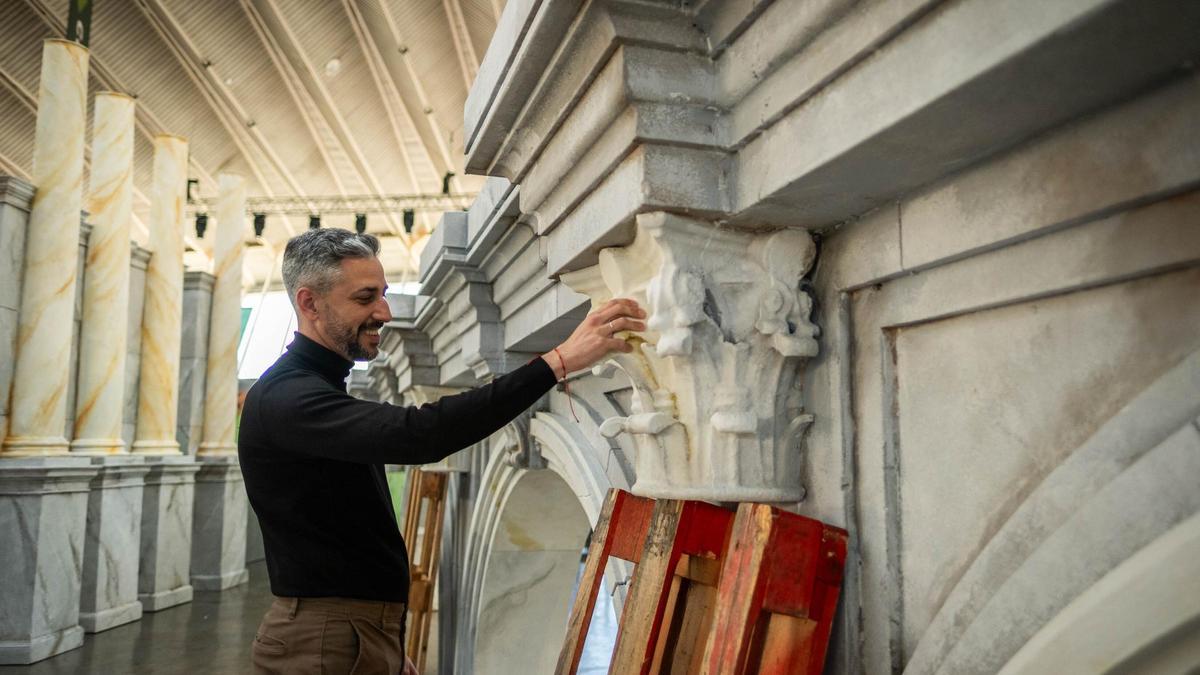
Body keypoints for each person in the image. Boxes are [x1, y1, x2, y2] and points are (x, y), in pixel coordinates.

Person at [239, 228, 645, 674]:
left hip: (350, 635)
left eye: (385, 294)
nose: (384, 312)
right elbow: (421, 434)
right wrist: (558, 362)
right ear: (309, 303)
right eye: (365, 298)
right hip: (326, 640)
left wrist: (382, 646)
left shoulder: (312, 388)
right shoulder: (287, 398)